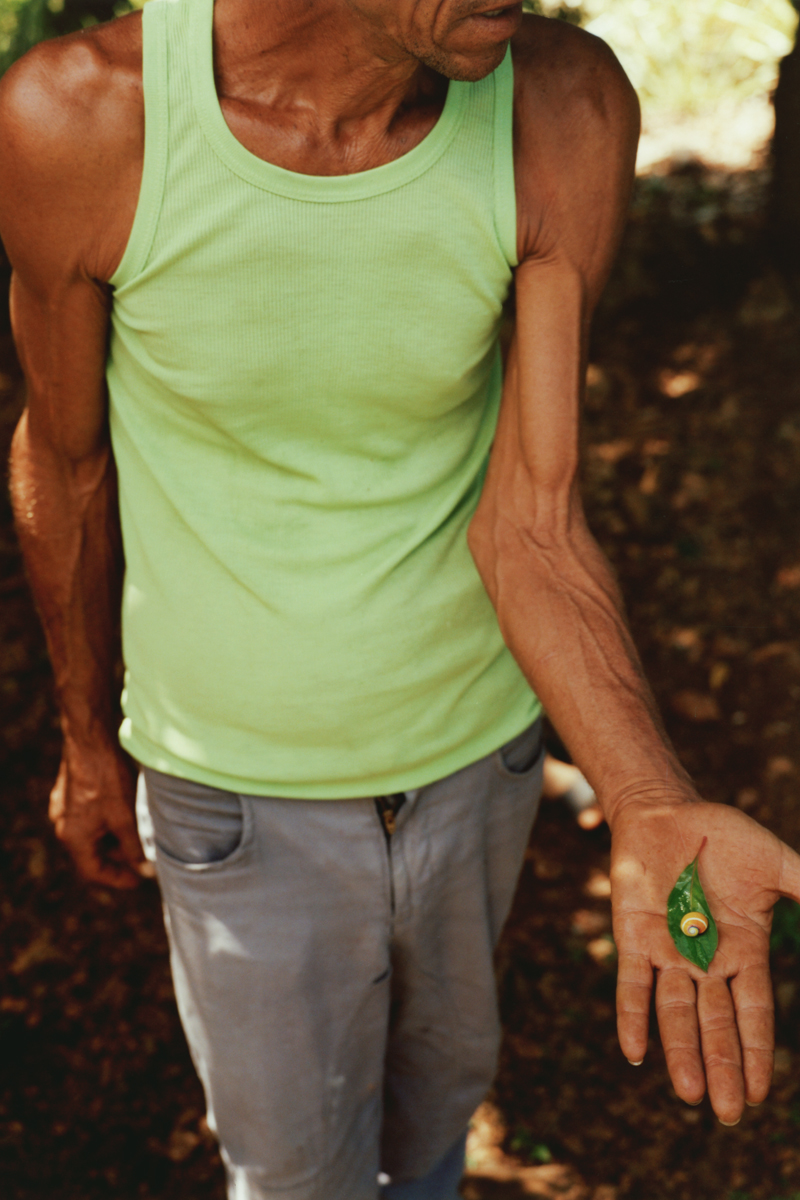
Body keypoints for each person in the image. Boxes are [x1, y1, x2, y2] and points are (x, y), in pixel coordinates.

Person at [2, 2, 799, 1196]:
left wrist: (644, 795)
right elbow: (65, 463)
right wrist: (85, 736)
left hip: (477, 763)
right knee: (294, 1176)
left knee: (432, 1126)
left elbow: (530, 517)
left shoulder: (558, 105)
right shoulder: (80, 117)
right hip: (233, 783)